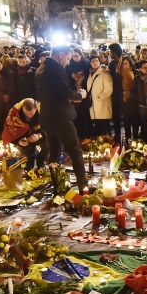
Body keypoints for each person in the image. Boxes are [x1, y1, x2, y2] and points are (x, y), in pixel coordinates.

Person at [35, 46, 89, 191]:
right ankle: (83, 185)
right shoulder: (56, 68)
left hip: (47, 116)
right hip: (60, 117)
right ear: (61, 54)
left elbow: (54, 92)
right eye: (67, 58)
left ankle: (56, 184)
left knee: (55, 152)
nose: (68, 62)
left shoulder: (42, 67)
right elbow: (65, 93)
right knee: (75, 151)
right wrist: (80, 96)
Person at [2, 98, 45, 170]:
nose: (29, 116)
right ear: (22, 109)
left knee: (48, 143)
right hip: (24, 138)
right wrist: (19, 141)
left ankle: (41, 163)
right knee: (27, 150)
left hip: (38, 134)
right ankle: (29, 168)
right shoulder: (14, 113)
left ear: (36, 108)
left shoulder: (43, 111)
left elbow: (50, 128)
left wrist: (39, 135)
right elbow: (10, 132)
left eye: (31, 113)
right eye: (26, 114)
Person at [85, 55, 113, 137]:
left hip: (103, 103)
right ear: (90, 63)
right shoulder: (90, 74)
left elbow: (108, 89)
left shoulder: (104, 73)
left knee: (105, 126)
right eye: (93, 61)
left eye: (96, 60)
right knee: (98, 127)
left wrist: (99, 97)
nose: (95, 63)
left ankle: (109, 145)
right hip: (93, 105)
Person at [116, 58, 137, 140]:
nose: (125, 65)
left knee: (135, 121)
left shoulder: (135, 72)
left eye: (127, 63)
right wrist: (124, 93)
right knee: (126, 121)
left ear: (130, 63)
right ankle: (128, 139)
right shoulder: (118, 75)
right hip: (124, 101)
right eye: (123, 64)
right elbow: (116, 89)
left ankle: (135, 139)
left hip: (134, 99)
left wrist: (132, 93)